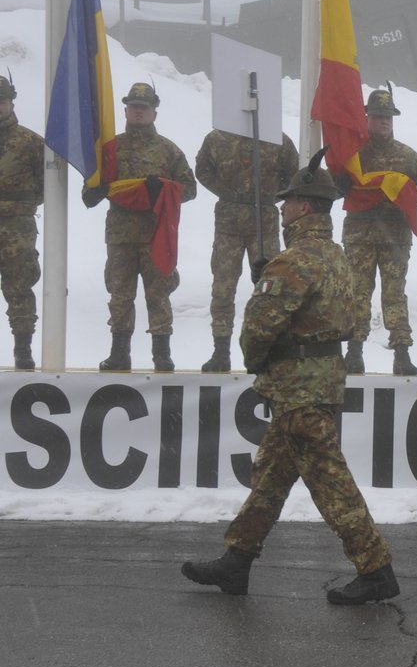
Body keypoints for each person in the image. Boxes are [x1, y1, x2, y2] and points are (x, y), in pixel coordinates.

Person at [181, 150, 401, 605]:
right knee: (271, 478)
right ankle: (236, 561)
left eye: (288, 202)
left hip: (298, 386)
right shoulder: (336, 256)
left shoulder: (295, 260)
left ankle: (376, 568)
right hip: (319, 380)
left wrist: (257, 356)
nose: (282, 209)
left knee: (329, 481)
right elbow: (348, 316)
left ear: (304, 206)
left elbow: (259, 327)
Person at [82, 82, 197, 373]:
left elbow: (190, 189)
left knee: (158, 294)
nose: (138, 112)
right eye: (134, 107)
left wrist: (164, 190)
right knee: (120, 295)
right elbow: (92, 187)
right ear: (125, 110)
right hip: (120, 234)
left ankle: (162, 354)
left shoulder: (168, 151)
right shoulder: (110, 149)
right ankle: (119, 353)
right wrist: (94, 191)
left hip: (154, 234)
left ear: (154, 113)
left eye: (144, 108)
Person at [336, 87, 417, 377]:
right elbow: (333, 183)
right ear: (367, 118)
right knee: (358, 292)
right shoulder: (354, 156)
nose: (384, 122)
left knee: (394, 293)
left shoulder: (407, 156)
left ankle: (401, 350)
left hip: (394, 235)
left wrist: (405, 194)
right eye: (379, 117)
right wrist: (340, 183)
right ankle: (354, 350)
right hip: (359, 234)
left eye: (388, 117)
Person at [194, 128, 299, 373]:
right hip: (228, 224)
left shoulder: (278, 139)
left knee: (270, 289)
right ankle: (221, 351)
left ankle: (268, 350)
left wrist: (270, 195)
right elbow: (203, 170)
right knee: (222, 288)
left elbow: (293, 175)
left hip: (264, 225)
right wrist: (228, 193)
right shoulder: (217, 138)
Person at [0, 74, 44, 370]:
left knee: (19, 288)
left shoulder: (30, 142)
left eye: (1, 101)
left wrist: (17, 206)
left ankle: (23, 350)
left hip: (17, 229)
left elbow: (47, 186)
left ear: (11, 102)